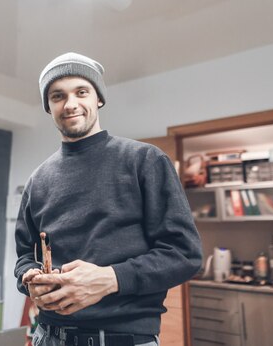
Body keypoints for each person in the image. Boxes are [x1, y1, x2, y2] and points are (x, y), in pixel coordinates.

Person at [14, 52, 202, 346]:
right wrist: (29, 279)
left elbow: (184, 254)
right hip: (47, 337)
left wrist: (112, 278)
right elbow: (25, 254)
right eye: (57, 96)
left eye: (81, 92)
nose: (71, 104)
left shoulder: (145, 161)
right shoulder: (38, 180)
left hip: (122, 338)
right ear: (49, 107)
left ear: (98, 98)